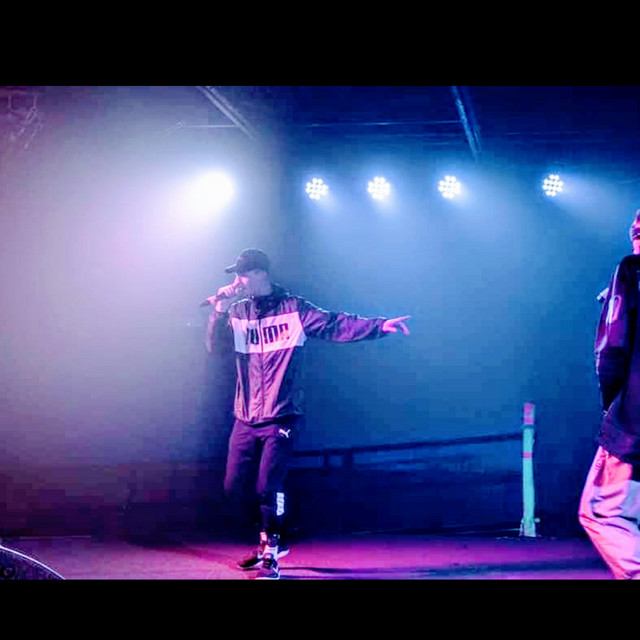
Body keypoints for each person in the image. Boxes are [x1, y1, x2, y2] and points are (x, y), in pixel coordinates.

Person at [205, 248, 410, 579]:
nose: (237, 281)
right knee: (233, 487)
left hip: (281, 414)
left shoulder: (294, 309)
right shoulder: (238, 311)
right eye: (236, 275)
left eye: (243, 274)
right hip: (245, 417)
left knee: (268, 485)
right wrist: (219, 309)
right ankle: (267, 539)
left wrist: (378, 326)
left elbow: (334, 324)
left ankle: (271, 552)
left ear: (260, 274)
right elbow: (216, 348)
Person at [578, 210, 640, 579]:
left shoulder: (631, 270)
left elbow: (612, 348)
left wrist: (613, 407)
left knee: (603, 512)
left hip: (635, 419)